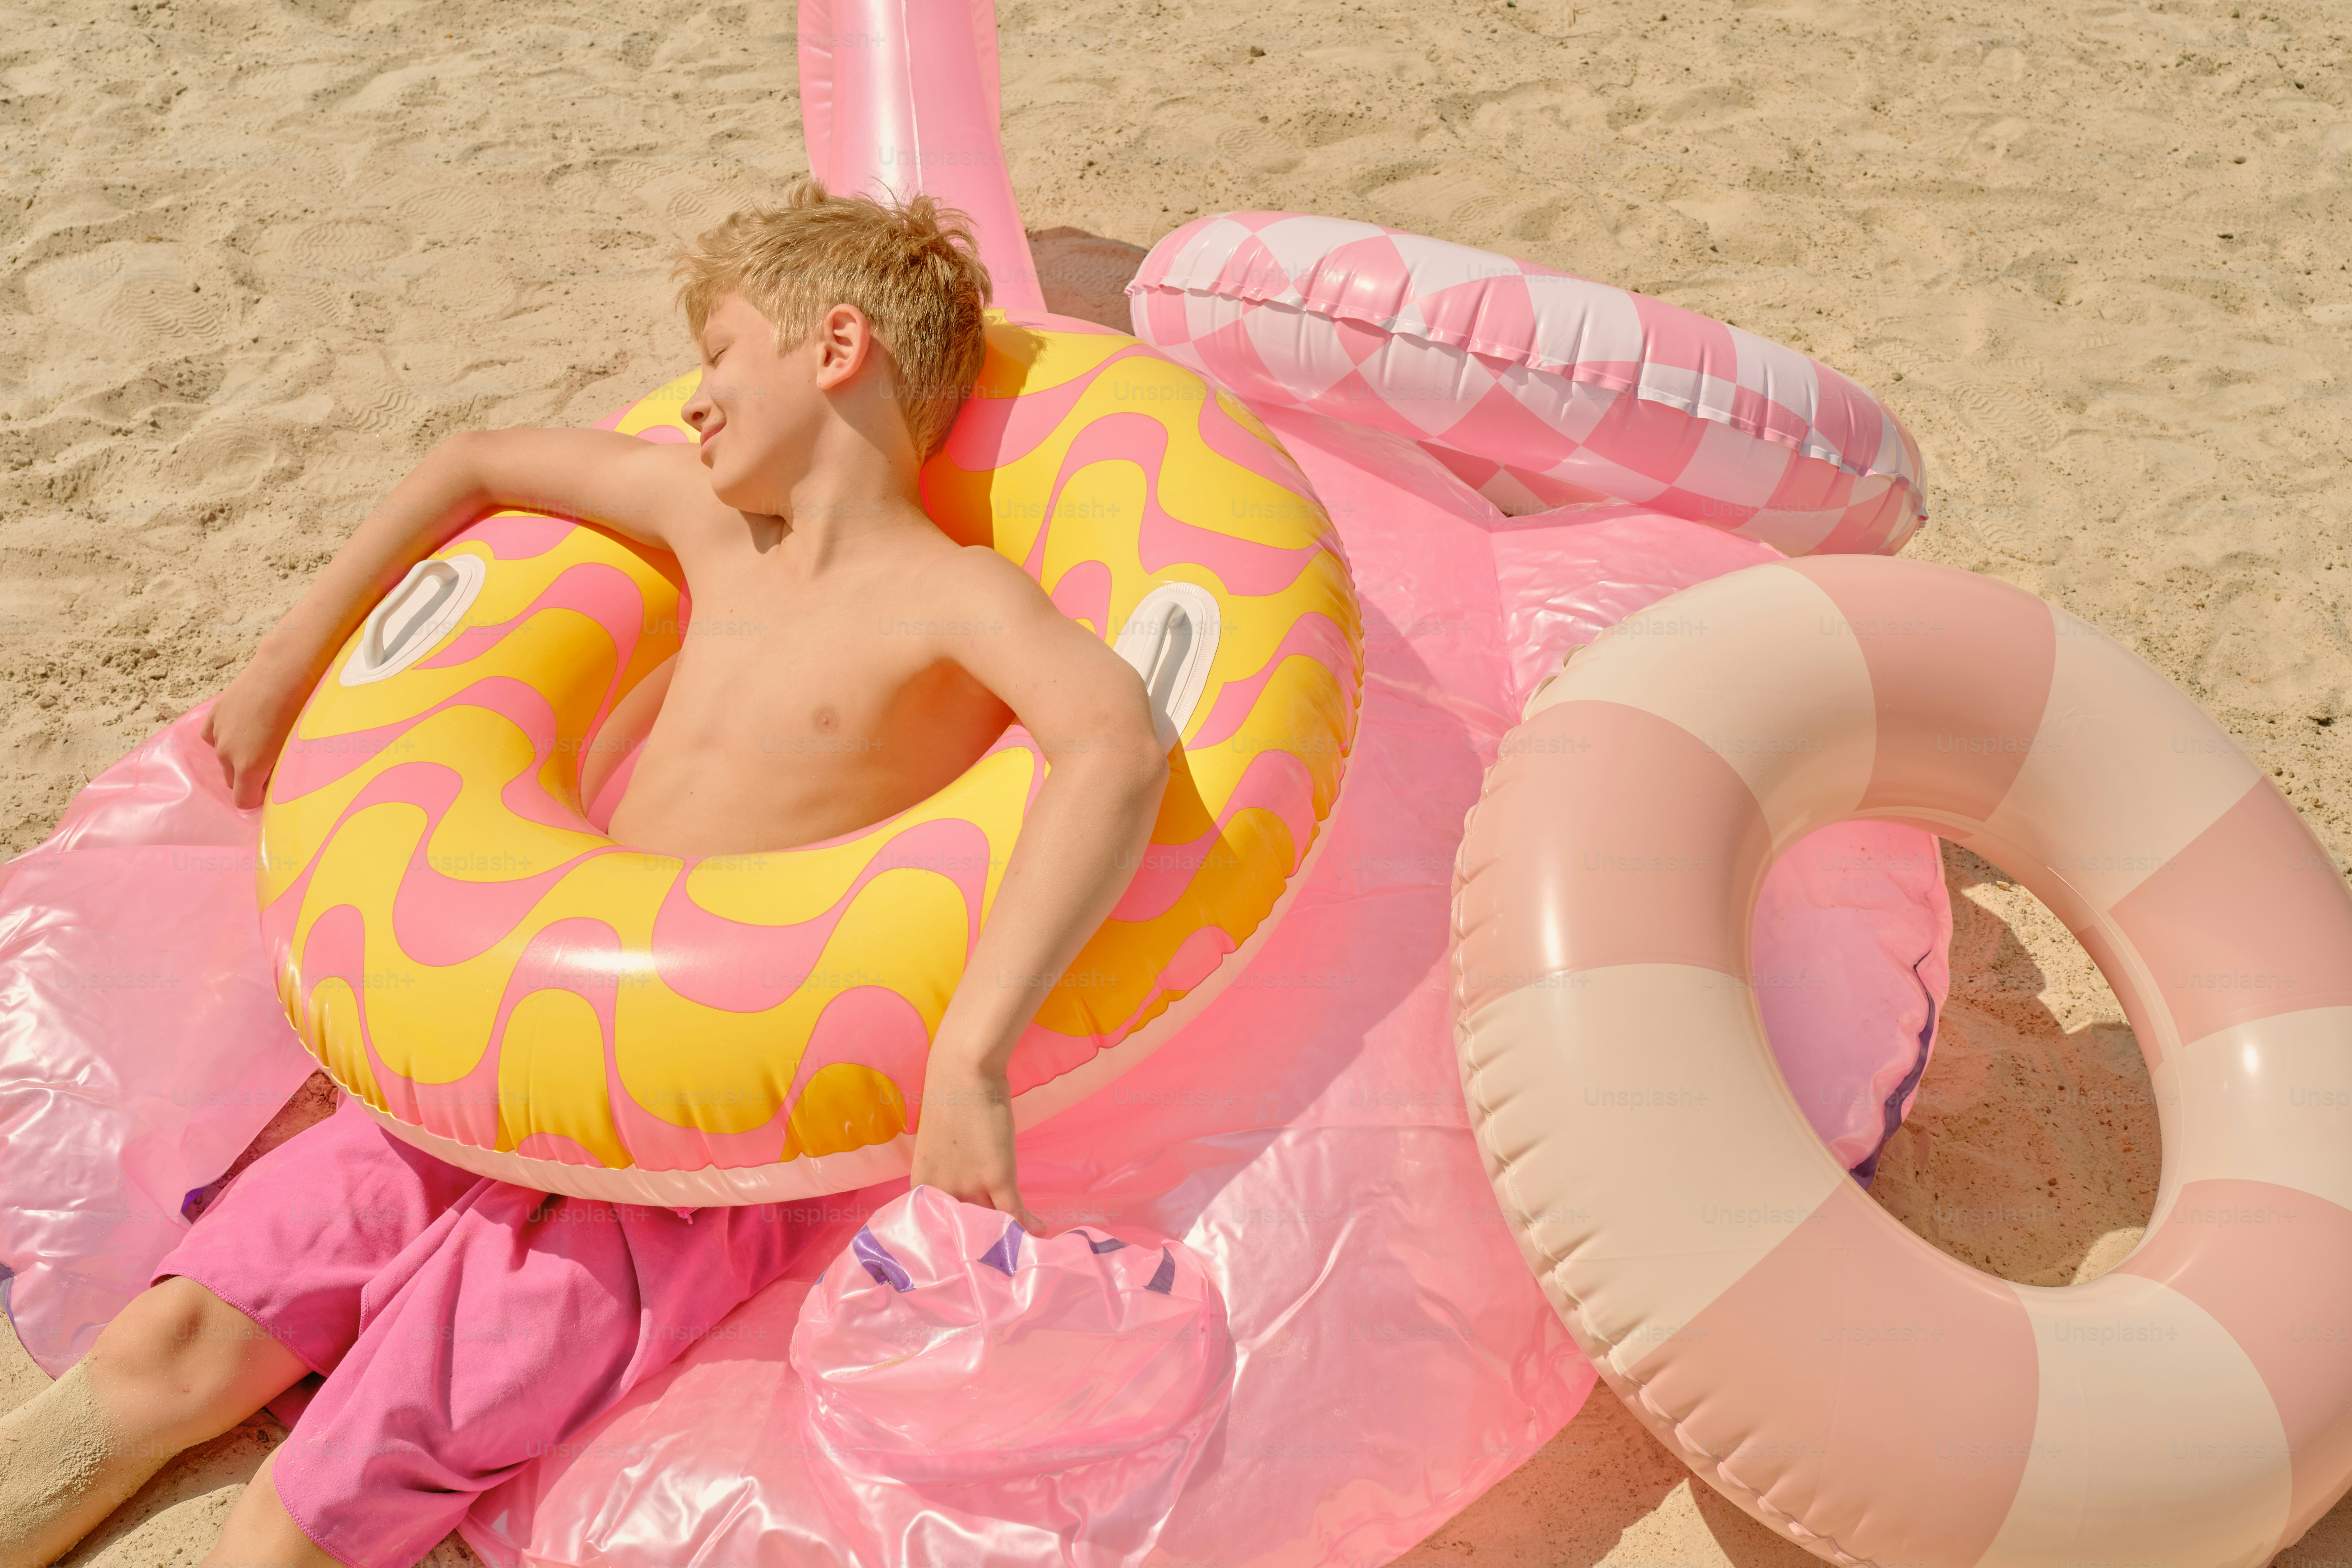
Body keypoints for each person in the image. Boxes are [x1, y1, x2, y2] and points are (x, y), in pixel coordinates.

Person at [0, 178, 1171, 1568]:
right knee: (169, 1347)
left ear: (837, 348)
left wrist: (971, 1055)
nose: (693, 400)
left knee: (318, 1499)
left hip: (686, 1150)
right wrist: (281, 667)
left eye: (720, 356)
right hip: (490, 1052)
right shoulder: (713, 526)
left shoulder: (960, 598)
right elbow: (475, 462)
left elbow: (1118, 744)